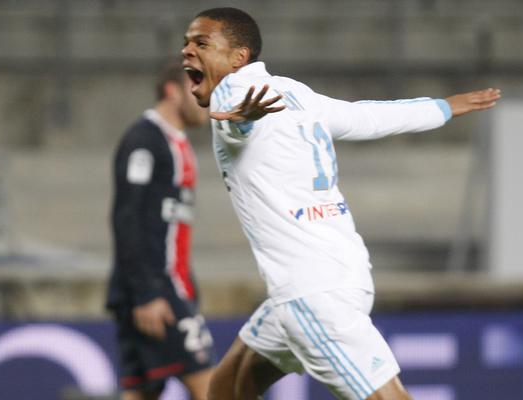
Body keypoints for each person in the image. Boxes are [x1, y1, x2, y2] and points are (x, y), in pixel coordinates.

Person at [181, 7, 501, 400]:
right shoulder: (296, 94)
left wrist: (240, 120)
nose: (187, 51)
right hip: (337, 273)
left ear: (238, 57)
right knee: (228, 387)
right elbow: (366, 116)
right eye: (186, 43)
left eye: (201, 43)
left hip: (312, 294)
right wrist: (442, 107)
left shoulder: (232, 94)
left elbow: (237, 121)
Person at [105, 60, 215, 400]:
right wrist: (147, 293)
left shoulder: (177, 143)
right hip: (155, 292)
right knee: (212, 388)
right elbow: (127, 218)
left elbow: (169, 229)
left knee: (142, 392)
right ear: (172, 90)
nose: (205, 96)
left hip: (166, 287)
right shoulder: (144, 140)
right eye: (195, 86)